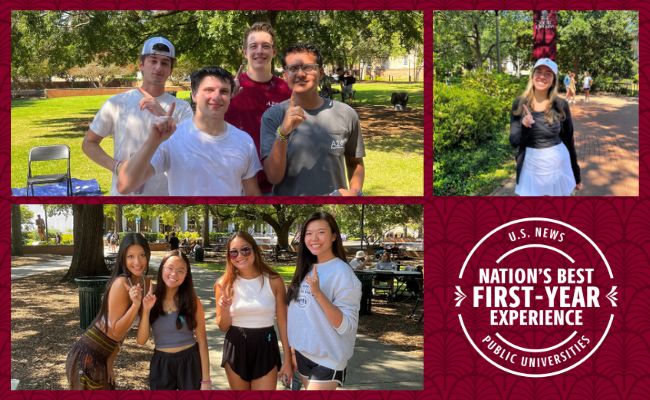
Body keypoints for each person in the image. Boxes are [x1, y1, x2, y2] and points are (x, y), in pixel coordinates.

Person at [116, 66, 262, 196]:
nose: (216, 97)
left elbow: (252, 192)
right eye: (209, 90)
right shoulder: (171, 138)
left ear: (230, 96)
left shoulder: (244, 141)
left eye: (224, 91)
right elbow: (125, 185)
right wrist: (153, 141)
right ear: (194, 95)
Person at [82, 37, 193, 196]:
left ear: (171, 70)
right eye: (153, 61)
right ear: (141, 65)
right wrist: (117, 167)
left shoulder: (182, 108)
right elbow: (89, 143)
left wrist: (162, 114)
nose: (158, 67)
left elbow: (191, 151)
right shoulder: (117, 103)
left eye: (164, 63)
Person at [261, 44, 365, 196]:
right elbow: (273, 177)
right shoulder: (273, 116)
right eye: (293, 68)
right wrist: (283, 133)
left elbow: (355, 162)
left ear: (321, 72)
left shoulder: (346, 114)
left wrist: (355, 192)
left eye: (308, 67)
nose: (301, 74)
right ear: (285, 75)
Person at [66, 233, 152, 389]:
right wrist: (135, 305)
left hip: (104, 355)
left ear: (148, 256)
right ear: (123, 260)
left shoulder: (145, 283)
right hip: (88, 355)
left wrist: (110, 361)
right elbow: (116, 329)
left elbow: (135, 339)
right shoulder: (121, 283)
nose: (137, 262)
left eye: (142, 255)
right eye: (130, 256)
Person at [286, 211, 362, 390]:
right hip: (302, 356)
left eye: (321, 232)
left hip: (328, 360)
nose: (314, 238)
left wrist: (319, 294)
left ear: (334, 236)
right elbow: (299, 314)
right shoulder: (306, 267)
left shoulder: (343, 273)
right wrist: (293, 350)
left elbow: (346, 326)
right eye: (309, 233)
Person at [214, 232, 292, 390]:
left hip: (266, 346)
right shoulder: (223, 284)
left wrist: (288, 360)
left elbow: (284, 323)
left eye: (245, 250)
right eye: (233, 252)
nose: (240, 255)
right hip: (236, 347)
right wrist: (225, 309)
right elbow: (223, 327)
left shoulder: (274, 281)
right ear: (229, 256)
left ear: (255, 250)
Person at [225, 22, 292, 195]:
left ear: (274, 52)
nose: (259, 51)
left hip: (277, 184)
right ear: (245, 52)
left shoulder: (287, 91)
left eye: (266, 46)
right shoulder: (228, 90)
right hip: (236, 184)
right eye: (253, 46)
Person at [137, 250, 211, 390]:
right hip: (162, 364)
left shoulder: (193, 302)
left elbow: (202, 341)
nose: (174, 274)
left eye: (180, 271)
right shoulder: (150, 299)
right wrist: (146, 310)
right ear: (162, 268)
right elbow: (141, 341)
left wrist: (206, 381)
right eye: (170, 268)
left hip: (189, 362)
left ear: (186, 274)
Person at [510, 58, 582, 196]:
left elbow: (569, 140)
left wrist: (576, 174)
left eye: (548, 73)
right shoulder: (519, 103)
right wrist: (524, 127)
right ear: (532, 75)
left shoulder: (561, 105)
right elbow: (514, 142)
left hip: (558, 169)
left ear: (553, 80)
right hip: (531, 169)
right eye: (539, 71)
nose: (542, 76)